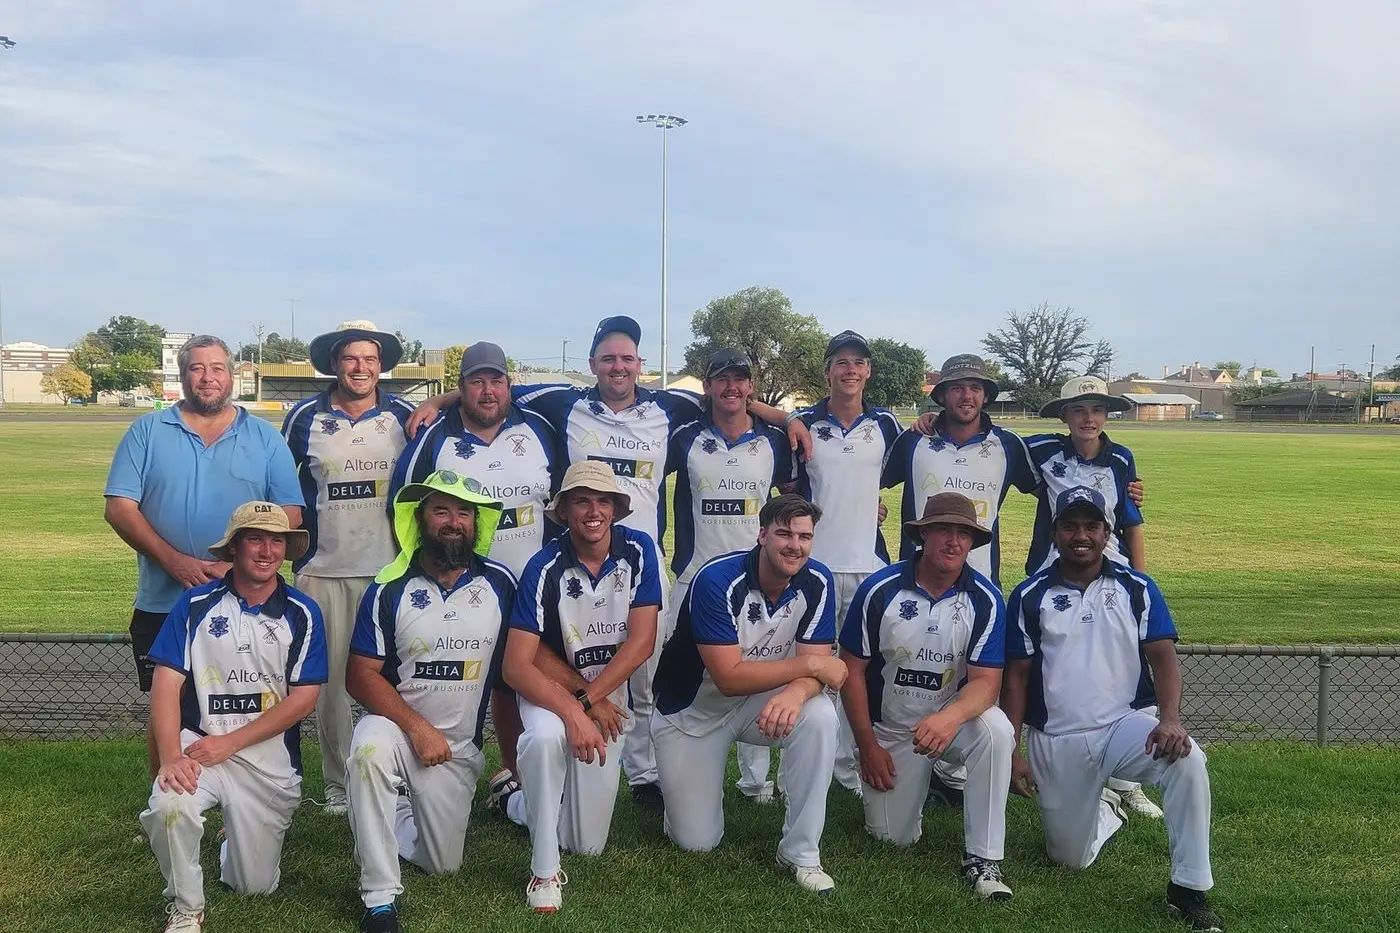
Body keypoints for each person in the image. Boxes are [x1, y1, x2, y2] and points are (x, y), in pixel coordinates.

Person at [407, 316, 798, 810]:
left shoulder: (668, 407)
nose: (618, 366)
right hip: (580, 554)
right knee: (574, 655)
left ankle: (645, 772)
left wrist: (790, 418)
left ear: (640, 365)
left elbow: (727, 399)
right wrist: (437, 399)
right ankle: (544, 755)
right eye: (608, 358)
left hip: (641, 558)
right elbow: (495, 391)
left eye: (627, 358)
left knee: (644, 669)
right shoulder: (563, 403)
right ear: (593, 365)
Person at [1002, 487, 1222, 932]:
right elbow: (1018, 677)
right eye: (1069, 526)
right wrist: (1012, 749)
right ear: (1054, 532)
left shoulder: (1137, 588)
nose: (1079, 535)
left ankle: (1188, 888)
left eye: (1090, 526)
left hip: (1127, 726)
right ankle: (1109, 810)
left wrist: (1171, 720)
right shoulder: (1029, 594)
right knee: (1069, 860)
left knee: (1188, 759)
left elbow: (1163, 658)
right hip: (1057, 737)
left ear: (1107, 533)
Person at [105, 334, 304, 778]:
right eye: (197, 368)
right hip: (164, 597)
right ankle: (166, 797)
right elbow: (119, 507)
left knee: (241, 698)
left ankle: (238, 806)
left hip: (245, 597)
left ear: (232, 376)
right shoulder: (148, 431)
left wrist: (236, 567)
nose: (207, 378)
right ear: (182, 376)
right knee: (167, 702)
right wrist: (175, 561)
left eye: (217, 368)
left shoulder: (263, 438)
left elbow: (289, 511)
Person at [139, 502, 327, 933]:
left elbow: (304, 699)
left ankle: (234, 840)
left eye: (276, 541)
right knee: (170, 805)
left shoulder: (303, 612)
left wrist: (232, 743)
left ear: (286, 548)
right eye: (255, 539)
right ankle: (185, 909)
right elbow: (166, 685)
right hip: (201, 745)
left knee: (253, 887)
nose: (266, 551)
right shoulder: (194, 604)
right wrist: (170, 756)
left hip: (266, 761)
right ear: (235, 547)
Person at [345, 471, 516, 933]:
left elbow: (512, 676)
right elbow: (359, 676)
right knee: (368, 749)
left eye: (463, 512)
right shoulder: (389, 585)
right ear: (420, 519)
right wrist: (417, 728)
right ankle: (378, 898)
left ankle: (386, 813)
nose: (453, 521)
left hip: (457, 749)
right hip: (398, 731)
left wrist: (515, 758)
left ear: (476, 522)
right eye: (441, 510)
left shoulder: (500, 583)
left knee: (443, 864)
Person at [390, 341, 564, 795]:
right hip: (461, 581)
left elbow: (564, 498)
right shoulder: (435, 437)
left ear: (510, 384)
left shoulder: (540, 426)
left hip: (532, 579)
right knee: (447, 671)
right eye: (476, 382)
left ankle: (519, 770)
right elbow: (403, 507)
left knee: (520, 674)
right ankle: (425, 764)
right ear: (461, 387)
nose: (488, 392)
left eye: (496, 381)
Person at [652, 495, 844, 893]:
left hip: (762, 701)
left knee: (820, 716)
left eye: (805, 536)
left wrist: (796, 694)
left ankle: (801, 852)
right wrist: (810, 669)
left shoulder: (819, 580)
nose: (795, 545)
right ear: (761, 535)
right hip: (693, 709)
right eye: (784, 533)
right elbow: (729, 678)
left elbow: (820, 670)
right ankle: (682, 804)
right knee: (696, 842)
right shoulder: (717, 579)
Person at [499, 461, 662, 912]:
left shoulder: (640, 550)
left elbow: (642, 641)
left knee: (586, 843)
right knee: (547, 736)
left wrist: (594, 700)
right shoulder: (543, 564)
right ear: (565, 509)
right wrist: (576, 708)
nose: (593, 511)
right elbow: (517, 666)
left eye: (603, 501)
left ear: (615, 509)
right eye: (582, 501)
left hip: (608, 699)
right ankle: (544, 872)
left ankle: (514, 803)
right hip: (547, 693)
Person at [839, 492, 1014, 900]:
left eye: (964, 533)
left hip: (952, 723)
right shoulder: (878, 589)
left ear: (973, 542)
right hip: (892, 730)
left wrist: (948, 718)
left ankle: (983, 858)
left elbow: (987, 682)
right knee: (892, 839)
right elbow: (852, 671)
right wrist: (867, 747)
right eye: (944, 530)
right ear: (923, 534)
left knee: (997, 731)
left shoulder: (986, 598)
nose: (954, 541)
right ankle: (921, 784)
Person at [282, 320, 415, 816]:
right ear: (335, 363)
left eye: (370, 359)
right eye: (351, 358)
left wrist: (439, 401)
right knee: (331, 686)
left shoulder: (403, 415)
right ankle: (339, 783)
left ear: (382, 366)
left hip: (389, 571)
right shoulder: (303, 417)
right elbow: (281, 482)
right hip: (323, 570)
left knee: (394, 679)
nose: (361, 368)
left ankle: (395, 773)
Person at [1025, 375, 1160, 819]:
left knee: (1125, 663)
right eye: (1079, 410)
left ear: (1107, 415)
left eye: (1097, 410)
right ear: (1064, 416)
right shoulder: (1042, 450)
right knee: (1059, 666)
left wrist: (1140, 579)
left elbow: (1131, 519)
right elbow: (994, 451)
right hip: (1051, 569)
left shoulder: (1121, 457)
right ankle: (1069, 762)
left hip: (1113, 570)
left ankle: (1129, 779)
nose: (1089, 418)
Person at [665, 347, 794, 802]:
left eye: (740, 379)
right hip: (694, 574)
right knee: (682, 672)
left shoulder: (773, 441)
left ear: (750, 386)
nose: (731, 387)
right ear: (708, 387)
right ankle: (673, 766)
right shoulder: (684, 436)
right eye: (722, 379)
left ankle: (754, 781)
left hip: (757, 577)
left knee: (754, 667)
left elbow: (792, 500)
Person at [787, 329, 901, 793]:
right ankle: (817, 762)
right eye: (841, 362)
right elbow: (790, 489)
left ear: (868, 371)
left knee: (863, 668)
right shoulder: (804, 424)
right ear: (828, 370)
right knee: (814, 663)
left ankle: (856, 761)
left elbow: (896, 473)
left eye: (858, 362)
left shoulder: (887, 425)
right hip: (816, 566)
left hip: (869, 565)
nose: (850, 370)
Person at [886, 354, 1038, 586]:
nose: (967, 396)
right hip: (914, 582)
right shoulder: (913, 440)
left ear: (985, 395)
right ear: (942, 396)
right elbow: (866, 479)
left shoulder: (1009, 445)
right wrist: (870, 507)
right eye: (957, 388)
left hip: (981, 582)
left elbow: (1047, 492)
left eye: (975, 388)